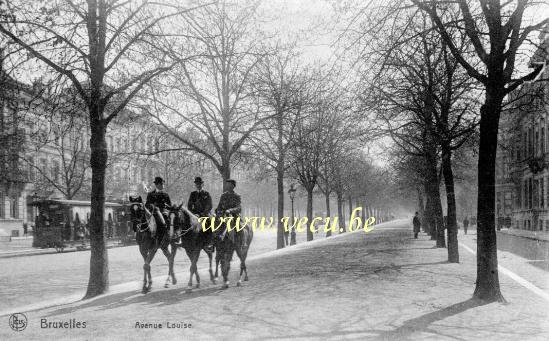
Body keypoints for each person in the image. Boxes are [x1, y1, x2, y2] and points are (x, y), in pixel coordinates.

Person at [215, 179, 243, 245]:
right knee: (214, 226)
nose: (228, 186)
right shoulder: (223, 195)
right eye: (227, 185)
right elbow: (219, 206)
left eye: (230, 185)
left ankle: (241, 243)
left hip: (233, 216)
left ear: (233, 186)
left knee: (240, 227)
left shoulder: (237, 196)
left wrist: (230, 210)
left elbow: (239, 207)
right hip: (223, 215)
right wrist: (218, 212)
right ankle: (212, 244)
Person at [187, 176, 213, 248]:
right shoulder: (193, 194)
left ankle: (209, 242)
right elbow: (189, 205)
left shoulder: (206, 194)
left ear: (202, 184)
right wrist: (193, 214)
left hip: (205, 214)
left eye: (200, 184)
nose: (198, 185)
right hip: (195, 215)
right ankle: (187, 241)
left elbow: (210, 205)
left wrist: (203, 213)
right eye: (197, 184)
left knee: (210, 223)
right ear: (195, 185)